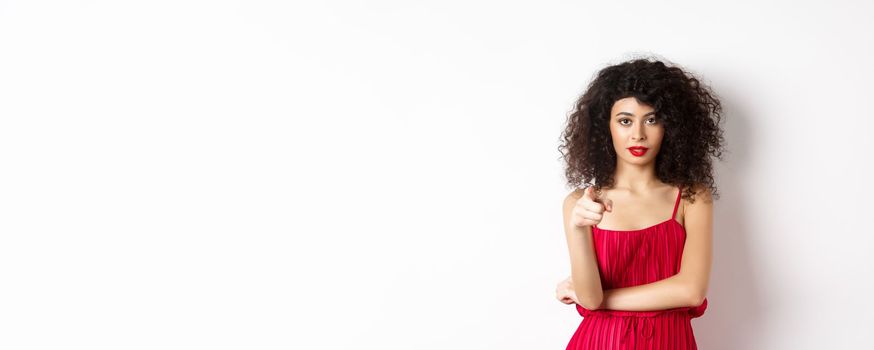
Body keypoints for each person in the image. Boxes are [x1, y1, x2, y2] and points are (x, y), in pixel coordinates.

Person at [555, 56, 726, 349]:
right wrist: (580, 228)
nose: (638, 134)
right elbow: (590, 298)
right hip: (599, 342)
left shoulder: (691, 198)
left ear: (670, 126)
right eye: (625, 120)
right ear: (605, 127)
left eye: (652, 119)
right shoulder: (580, 203)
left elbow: (691, 291)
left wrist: (601, 299)